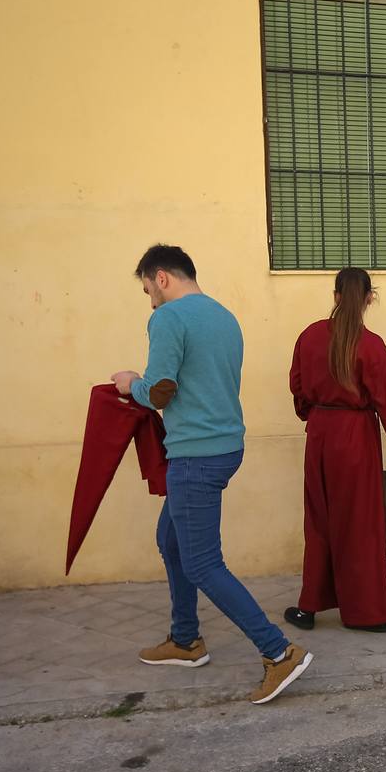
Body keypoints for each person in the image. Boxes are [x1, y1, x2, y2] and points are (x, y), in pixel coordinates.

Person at [111, 244, 312, 705]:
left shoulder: (168, 318)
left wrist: (129, 384)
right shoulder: (224, 316)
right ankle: (185, 641)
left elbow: (160, 391)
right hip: (224, 446)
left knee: (202, 562)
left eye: (147, 290)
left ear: (161, 278)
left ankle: (278, 652)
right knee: (172, 541)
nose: (150, 301)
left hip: (194, 455)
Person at [283, 268, 386, 634]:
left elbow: (298, 388)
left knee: (319, 519)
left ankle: (309, 606)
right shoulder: (372, 346)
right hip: (354, 437)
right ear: (370, 297)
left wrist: (318, 414)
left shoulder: (308, 336)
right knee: (360, 524)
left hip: (319, 434)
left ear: (336, 296)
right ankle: (368, 612)